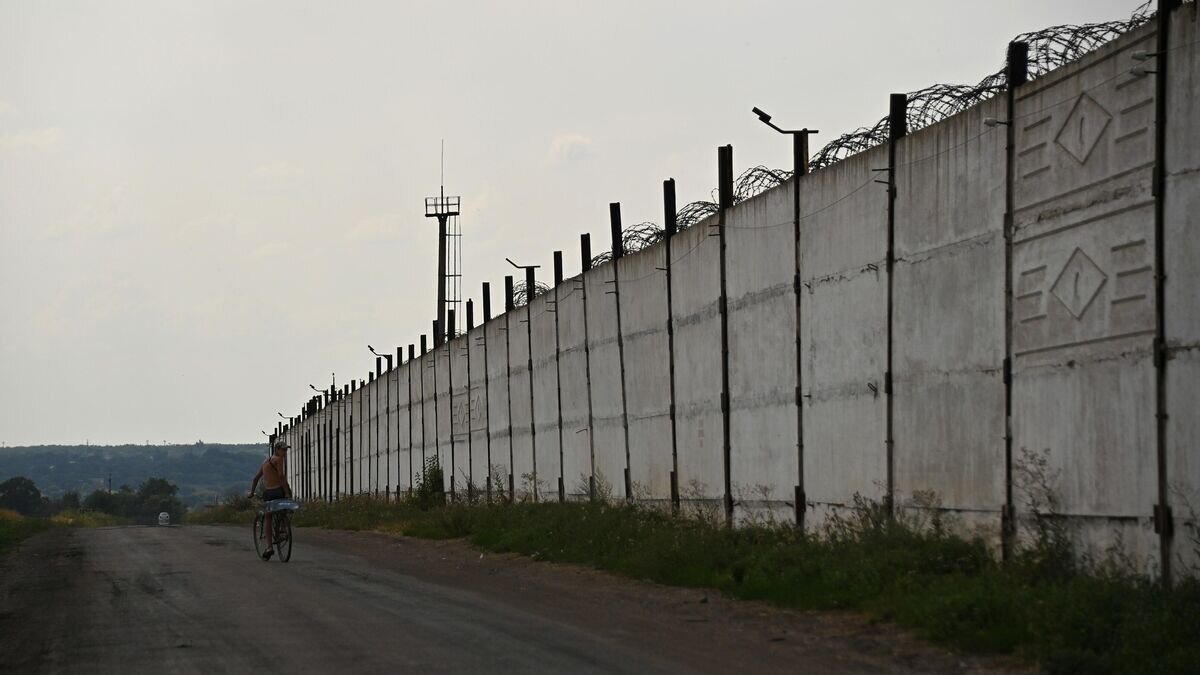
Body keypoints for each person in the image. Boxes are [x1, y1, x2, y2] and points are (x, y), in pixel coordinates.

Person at [248, 438, 292, 560]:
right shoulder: (279, 459)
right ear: (276, 450)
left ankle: (269, 547)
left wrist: (252, 492)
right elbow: (281, 476)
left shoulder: (265, 462)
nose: (285, 452)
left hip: (268, 493)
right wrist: (287, 492)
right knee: (284, 506)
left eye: (285, 450)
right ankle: (283, 528)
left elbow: (255, 478)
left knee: (268, 517)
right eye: (283, 450)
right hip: (278, 491)